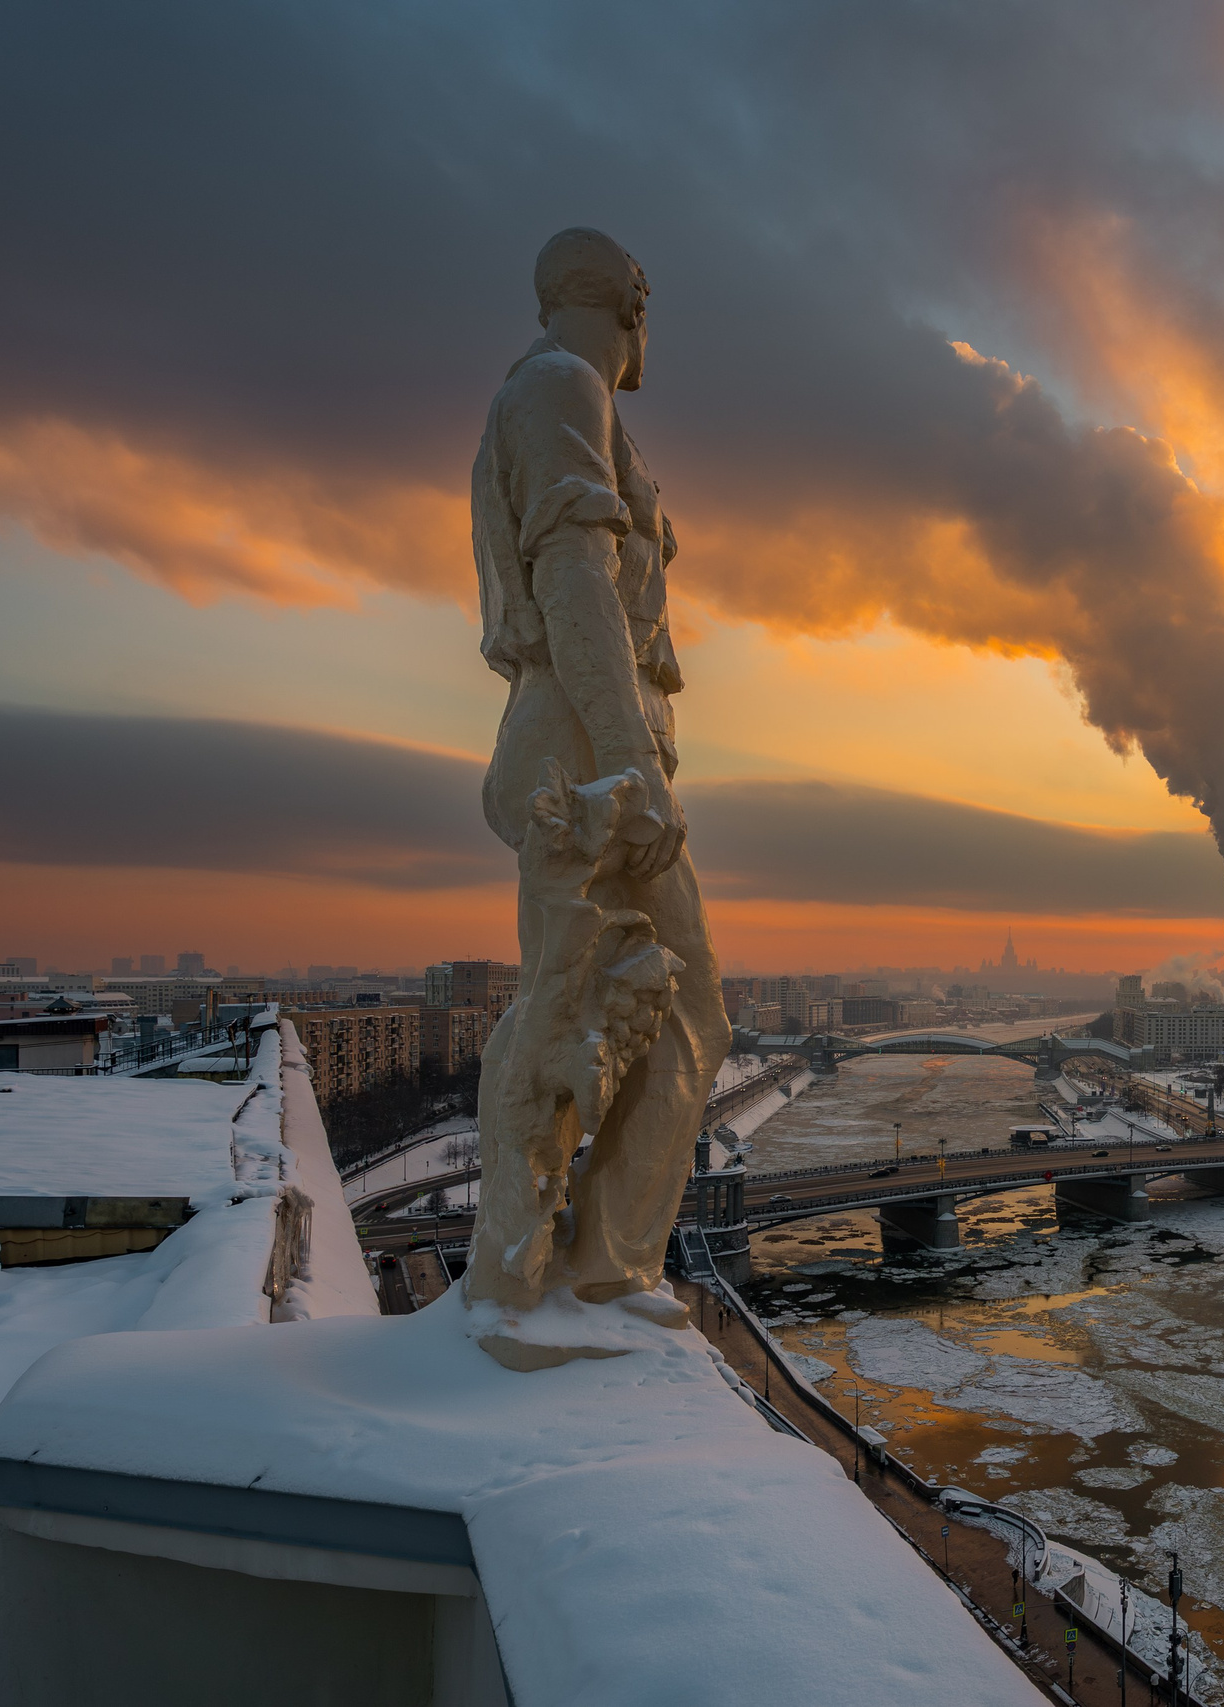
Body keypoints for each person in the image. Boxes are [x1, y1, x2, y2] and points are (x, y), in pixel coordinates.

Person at [463, 228, 732, 1341]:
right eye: (648, 310)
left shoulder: (575, 400)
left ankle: (596, 1271)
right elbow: (575, 580)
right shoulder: (560, 387)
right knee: (592, 1010)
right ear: (632, 301)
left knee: (650, 1010)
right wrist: (630, 762)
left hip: (602, 740)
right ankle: (527, 1277)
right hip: (585, 744)